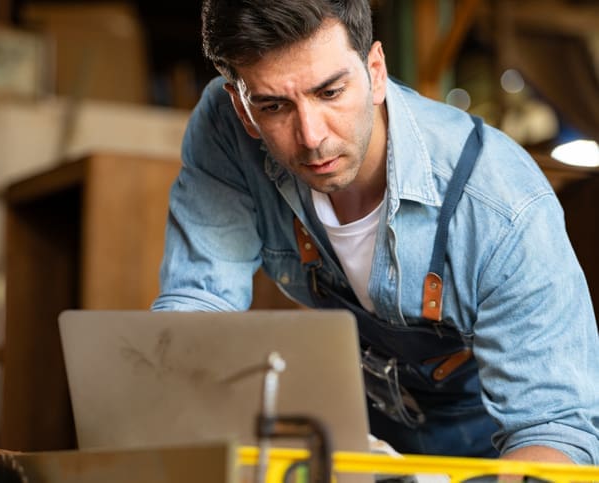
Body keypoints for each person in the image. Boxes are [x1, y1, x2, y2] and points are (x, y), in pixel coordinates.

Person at [151, 0, 599, 464]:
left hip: (488, 451)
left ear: (376, 71)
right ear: (243, 109)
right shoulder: (226, 132)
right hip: (355, 439)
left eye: (329, 92)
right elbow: (199, 311)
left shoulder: (501, 206)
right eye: (274, 106)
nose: (311, 136)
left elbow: (553, 428)